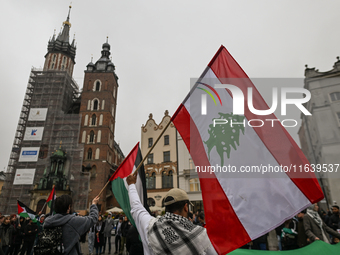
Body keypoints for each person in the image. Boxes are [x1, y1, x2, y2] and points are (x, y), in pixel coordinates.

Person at [127, 173, 217, 255]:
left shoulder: (151, 226)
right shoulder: (200, 234)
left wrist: (131, 184)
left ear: (166, 208)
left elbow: (136, 207)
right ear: (186, 207)